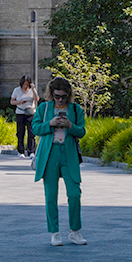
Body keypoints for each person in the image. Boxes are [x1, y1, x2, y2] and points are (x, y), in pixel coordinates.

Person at [33, 76, 87, 246]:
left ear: (69, 95)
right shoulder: (44, 108)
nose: (60, 99)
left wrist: (70, 125)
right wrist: (50, 123)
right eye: (57, 96)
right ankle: (54, 232)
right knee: (51, 195)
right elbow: (35, 128)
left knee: (74, 193)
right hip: (49, 154)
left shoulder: (76, 109)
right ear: (51, 94)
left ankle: (75, 231)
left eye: (63, 96)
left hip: (68, 153)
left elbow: (82, 131)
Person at [10, 74, 39, 158]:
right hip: (20, 113)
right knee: (20, 132)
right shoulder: (17, 90)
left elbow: (36, 99)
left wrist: (33, 89)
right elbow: (12, 101)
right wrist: (19, 102)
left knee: (31, 133)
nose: (25, 86)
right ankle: (21, 151)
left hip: (30, 112)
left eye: (27, 84)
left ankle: (31, 151)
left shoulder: (32, 90)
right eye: (24, 84)